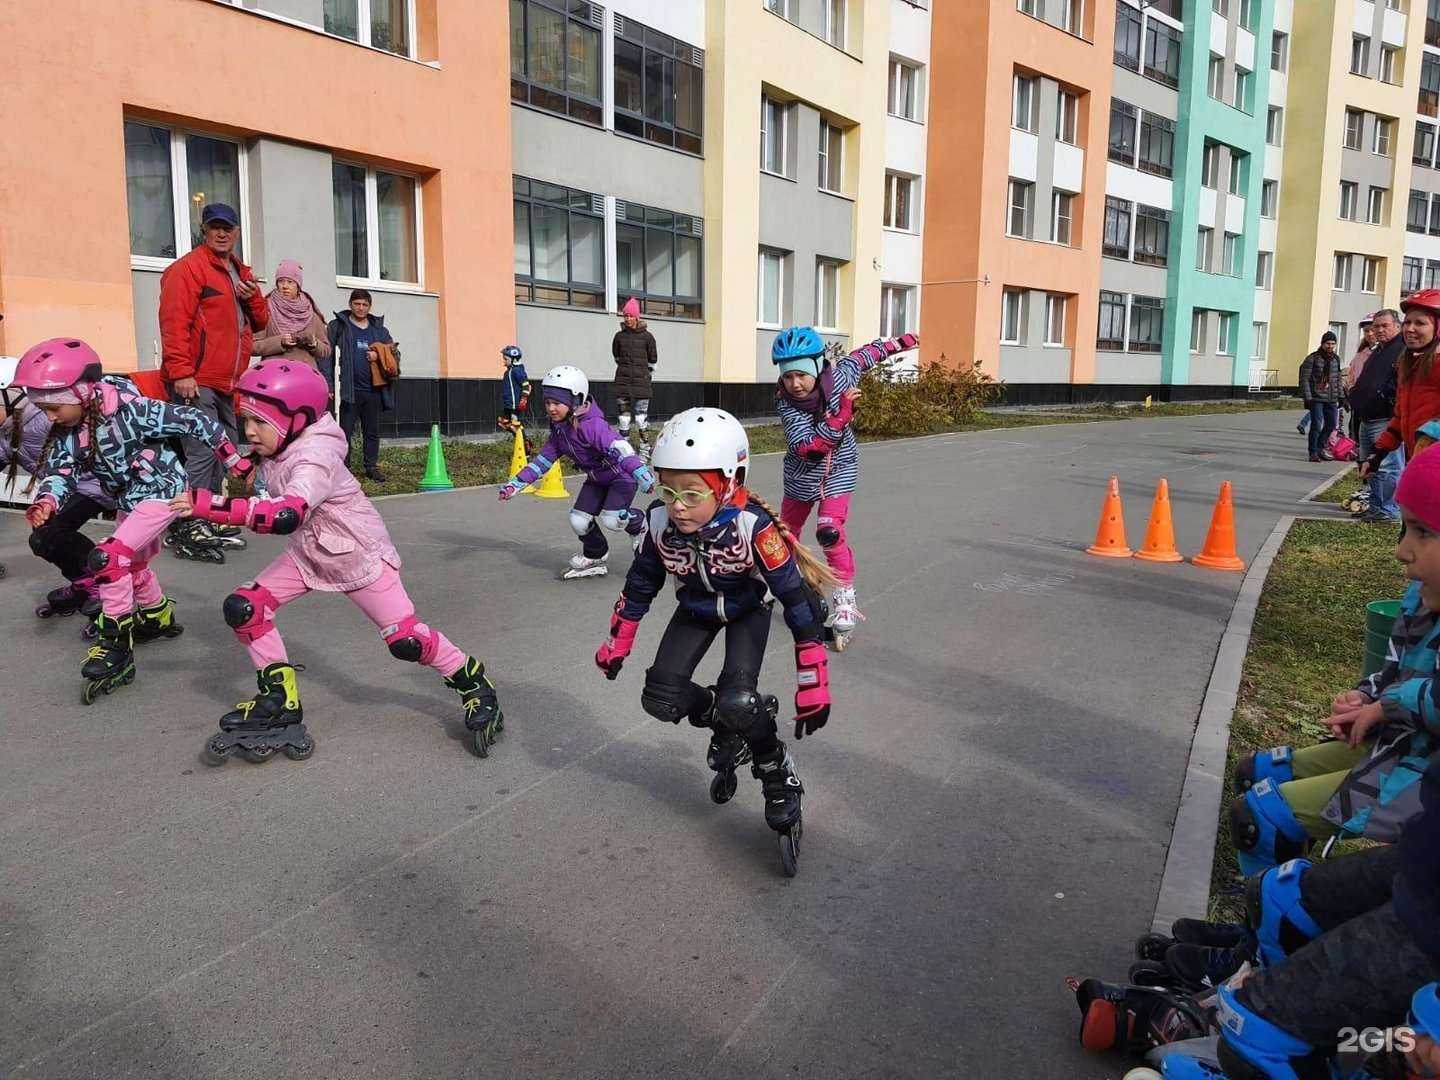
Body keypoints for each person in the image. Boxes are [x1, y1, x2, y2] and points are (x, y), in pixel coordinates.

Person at [172, 360, 505, 763]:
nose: (248, 431)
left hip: (357, 556)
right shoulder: (284, 443)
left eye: (258, 422)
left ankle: (474, 684)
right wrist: (216, 442)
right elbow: (249, 471)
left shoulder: (315, 456)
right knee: (246, 607)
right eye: (245, 420)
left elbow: (285, 514)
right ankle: (279, 698)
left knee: (406, 641)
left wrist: (208, 505)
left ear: (296, 419)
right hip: (311, 553)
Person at [592, 408, 835, 874]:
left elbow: (794, 599)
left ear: (728, 484)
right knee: (660, 699)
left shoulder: (753, 527)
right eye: (668, 490)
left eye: (691, 493)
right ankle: (727, 724)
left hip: (747, 609)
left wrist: (813, 679)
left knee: (740, 700)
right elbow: (641, 584)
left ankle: (775, 768)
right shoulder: (660, 522)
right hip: (697, 608)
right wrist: (618, 640)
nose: (677, 505)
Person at [1228, 443, 1440, 878]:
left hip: (1422, 773)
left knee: (1259, 817)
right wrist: (1365, 698)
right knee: (1256, 775)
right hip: (1398, 744)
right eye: (1404, 530)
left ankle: (1270, 920)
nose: (1402, 551)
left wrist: (1387, 706)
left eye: (1423, 532)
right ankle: (1282, 881)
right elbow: (1397, 668)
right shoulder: (1421, 595)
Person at [13, 338, 250, 704]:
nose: (49, 417)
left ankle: (116, 647)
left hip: (162, 492)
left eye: (53, 407)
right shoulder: (69, 429)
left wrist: (235, 462)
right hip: (129, 497)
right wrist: (47, 501)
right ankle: (157, 615)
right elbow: (61, 471)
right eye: (42, 409)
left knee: (109, 559)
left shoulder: (133, 409)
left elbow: (195, 419)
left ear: (81, 393)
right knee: (133, 564)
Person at [771, 327, 919, 648]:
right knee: (785, 535)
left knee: (829, 531)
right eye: (787, 376)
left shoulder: (840, 377)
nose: (795, 384)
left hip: (840, 468)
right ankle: (775, 581)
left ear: (816, 366)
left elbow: (864, 356)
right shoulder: (786, 404)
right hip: (802, 473)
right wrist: (841, 418)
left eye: (801, 375)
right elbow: (809, 447)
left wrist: (900, 343)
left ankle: (844, 598)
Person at [157, 202, 268, 557]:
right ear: (204, 231)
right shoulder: (188, 269)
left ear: (237, 232)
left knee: (226, 451)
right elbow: (174, 324)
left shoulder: (239, 272)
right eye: (215, 227)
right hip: (197, 378)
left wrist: (253, 300)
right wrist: (182, 372)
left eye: (228, 228)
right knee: (203, 451)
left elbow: (261, 323)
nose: (222, 233)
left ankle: (211, 512)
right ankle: (188, 521)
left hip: (228, 380)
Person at [497, 365, 655, 579]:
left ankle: (640, 525)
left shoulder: (592, 426)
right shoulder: (560, 430)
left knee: (613, 520)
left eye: (557, 403)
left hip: (621, 477)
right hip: (596, 480)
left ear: (575, 400)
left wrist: (640, 472)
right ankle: (596, 556)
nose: (551, 408)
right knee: (579, 520)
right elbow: (542, 461)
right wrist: (516, 483)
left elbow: (620, 447)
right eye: (547, 402)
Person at [0, 355, 112, 620]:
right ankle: (85, 583)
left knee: (50, 533)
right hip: (69, 490)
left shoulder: (45, 418)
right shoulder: (7, 430)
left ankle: (106, 584)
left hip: (95, 485)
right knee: (45, 537)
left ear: (10, 395)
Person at [1363, 290, 1440, 504]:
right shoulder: (1409, 365)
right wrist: (1377, 455)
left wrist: (1429, 440)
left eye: (1420, 323)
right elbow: (1399, 418)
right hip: (1416, 465)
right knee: (1411, 530)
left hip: (1433, 469)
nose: (1410, 329)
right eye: (1407, 322)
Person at [323, 289, 397, 483]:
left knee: (372, 431)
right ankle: (343, 467)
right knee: (344, 431)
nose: (361, 308)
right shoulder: (338, 326)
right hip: (348, 391)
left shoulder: (379, 330)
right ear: (350, 304)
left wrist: (378, 356)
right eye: (357, 304)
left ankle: (371, 466)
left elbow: (394, 354)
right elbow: (326, 357)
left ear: (369, 307)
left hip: (373, 390)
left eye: (365, 304)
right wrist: (329, 384)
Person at [1351, 307, 1405, 523]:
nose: (1380, 330)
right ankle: (1376, 507)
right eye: (1376, 326)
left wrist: (1386, 396)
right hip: (1367, 417)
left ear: (1397, 326)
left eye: (1385, 326)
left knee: (1388, 466)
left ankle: (1387, 510)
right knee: (1369, 465)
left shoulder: (1402, 349)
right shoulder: (1378, 350)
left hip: (1385, 418)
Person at [252, 259, 332, 371]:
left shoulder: (311, 313)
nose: (285, 286)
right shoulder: (266, 309)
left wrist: (313, 342)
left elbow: (326, 350)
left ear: (298, 286)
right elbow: (252, 346)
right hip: (274, 377)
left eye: (290, 282)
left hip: (304, 377)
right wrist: (279, 342)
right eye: (281, 281)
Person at [611, 297, 657, 460]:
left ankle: (645, 449)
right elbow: (616, 357)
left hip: (641, 383)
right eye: (626, 316)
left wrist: (645, 375)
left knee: (640, 418)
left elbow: (653, 360)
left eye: (631, 316)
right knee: (623, 419)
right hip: (623, 382)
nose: (628, 319)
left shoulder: (648, 337)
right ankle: (625, 450)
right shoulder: (619, 337)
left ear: (637, 317)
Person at [1298, 331, 1341, 462]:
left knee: (1332, 425)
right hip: (1316, 398)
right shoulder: (1313, 358)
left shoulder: (1335, 359)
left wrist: (1342, 396)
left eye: (1333, 344)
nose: (1330, 346)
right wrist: (1308, 397)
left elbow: (1338, 379)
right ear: (1322, 343)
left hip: (1331, 398)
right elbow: (1304, 379)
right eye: (1328, 343)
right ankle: (1313, 452)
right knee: (1316, 425)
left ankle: (1320, 447)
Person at [498, 344, 531, 444]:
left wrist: (524, 399)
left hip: (515, 405)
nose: (504, 361)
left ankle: (525, 445)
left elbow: (526, 385)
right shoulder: (508, 372)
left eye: (506, 359)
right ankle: (519, 438)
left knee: (514, 424)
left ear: (514, 359)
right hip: (508, 404)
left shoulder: (517, 371)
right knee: (502, 422)